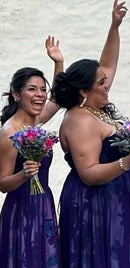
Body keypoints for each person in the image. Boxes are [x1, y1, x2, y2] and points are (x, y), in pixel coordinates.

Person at [54, 1, 130, 267]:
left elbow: (107, 65)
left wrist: (115, 26)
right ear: (84, 91)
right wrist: (129, 162)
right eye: (101, 83)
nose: (107, 84)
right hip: (98, 206)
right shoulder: (80, 121)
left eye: (105, 80)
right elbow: (88, 173)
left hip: (120, 199)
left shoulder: (95, 106)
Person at [0, 63, 62, 267]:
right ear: (17, 95)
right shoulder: (10, 132)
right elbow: (2, 183)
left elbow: (57, 98)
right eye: (32, 89)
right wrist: (23, 174)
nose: (40, 95)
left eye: (43, 89)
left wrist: (58, 63)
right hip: (22, 210)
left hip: (43, 203)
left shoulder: (34, 122)